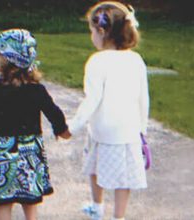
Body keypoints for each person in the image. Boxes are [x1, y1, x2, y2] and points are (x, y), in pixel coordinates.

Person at [0, 29, 71, 220]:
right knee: (29, 202)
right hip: (28, 153)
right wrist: (61, 129)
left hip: (0, 154)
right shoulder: (36, 90)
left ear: (8, 60)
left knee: (3, 202)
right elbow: (52, 111)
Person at [68, 2, 149, 220]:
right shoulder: (136, 60)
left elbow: (91, 100)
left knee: (95, 167)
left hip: (102, 131)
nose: (91, 36)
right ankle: (119, 217)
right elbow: (143, 98)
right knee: (123, 179)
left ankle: (97, 206)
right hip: (128, 131)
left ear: (102, 31)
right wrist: (142, 128)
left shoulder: (97, 61)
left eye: (92, 31)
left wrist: (72, 127)